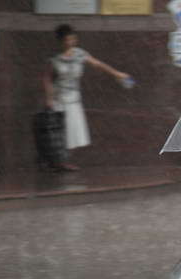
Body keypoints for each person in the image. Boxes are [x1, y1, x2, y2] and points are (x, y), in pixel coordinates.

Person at [43, 24, 131, 172]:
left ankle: (61, 161)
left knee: (72, 130)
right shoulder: (54, 59)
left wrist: (117, 74)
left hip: (74, 99)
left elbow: (98, 64)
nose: (70, 43)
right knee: (60, 131)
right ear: (60, 41)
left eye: (72, 39)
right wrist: (49, 98)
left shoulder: (80, 54)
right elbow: (46, 78)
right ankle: (58, 161)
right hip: (59, 99)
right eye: (66, 40)